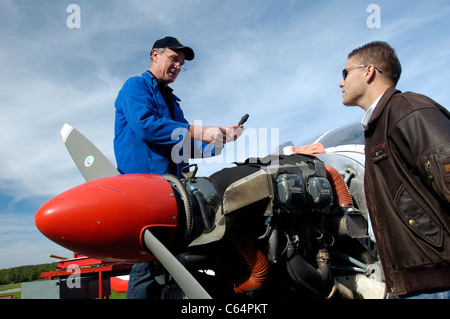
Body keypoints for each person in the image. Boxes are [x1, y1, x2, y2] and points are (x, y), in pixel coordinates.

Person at [114, 36, 244, 299]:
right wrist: (200, 130)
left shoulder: (173, 104)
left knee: (180, 262)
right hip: (145, 193)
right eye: (174, 59)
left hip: (176, 195)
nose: (177, 66)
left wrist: (221, 140)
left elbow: (184, 147)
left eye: (181, 64)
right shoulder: (135, 87)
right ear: (155, 55)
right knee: (148, 266)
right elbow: (147, 126)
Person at [339, 41, 450, 299]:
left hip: (437, 283)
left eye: (345, 74)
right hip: (412, 283)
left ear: (368, 72)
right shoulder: (377, 126)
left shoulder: (408, 111)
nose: (340, 83)